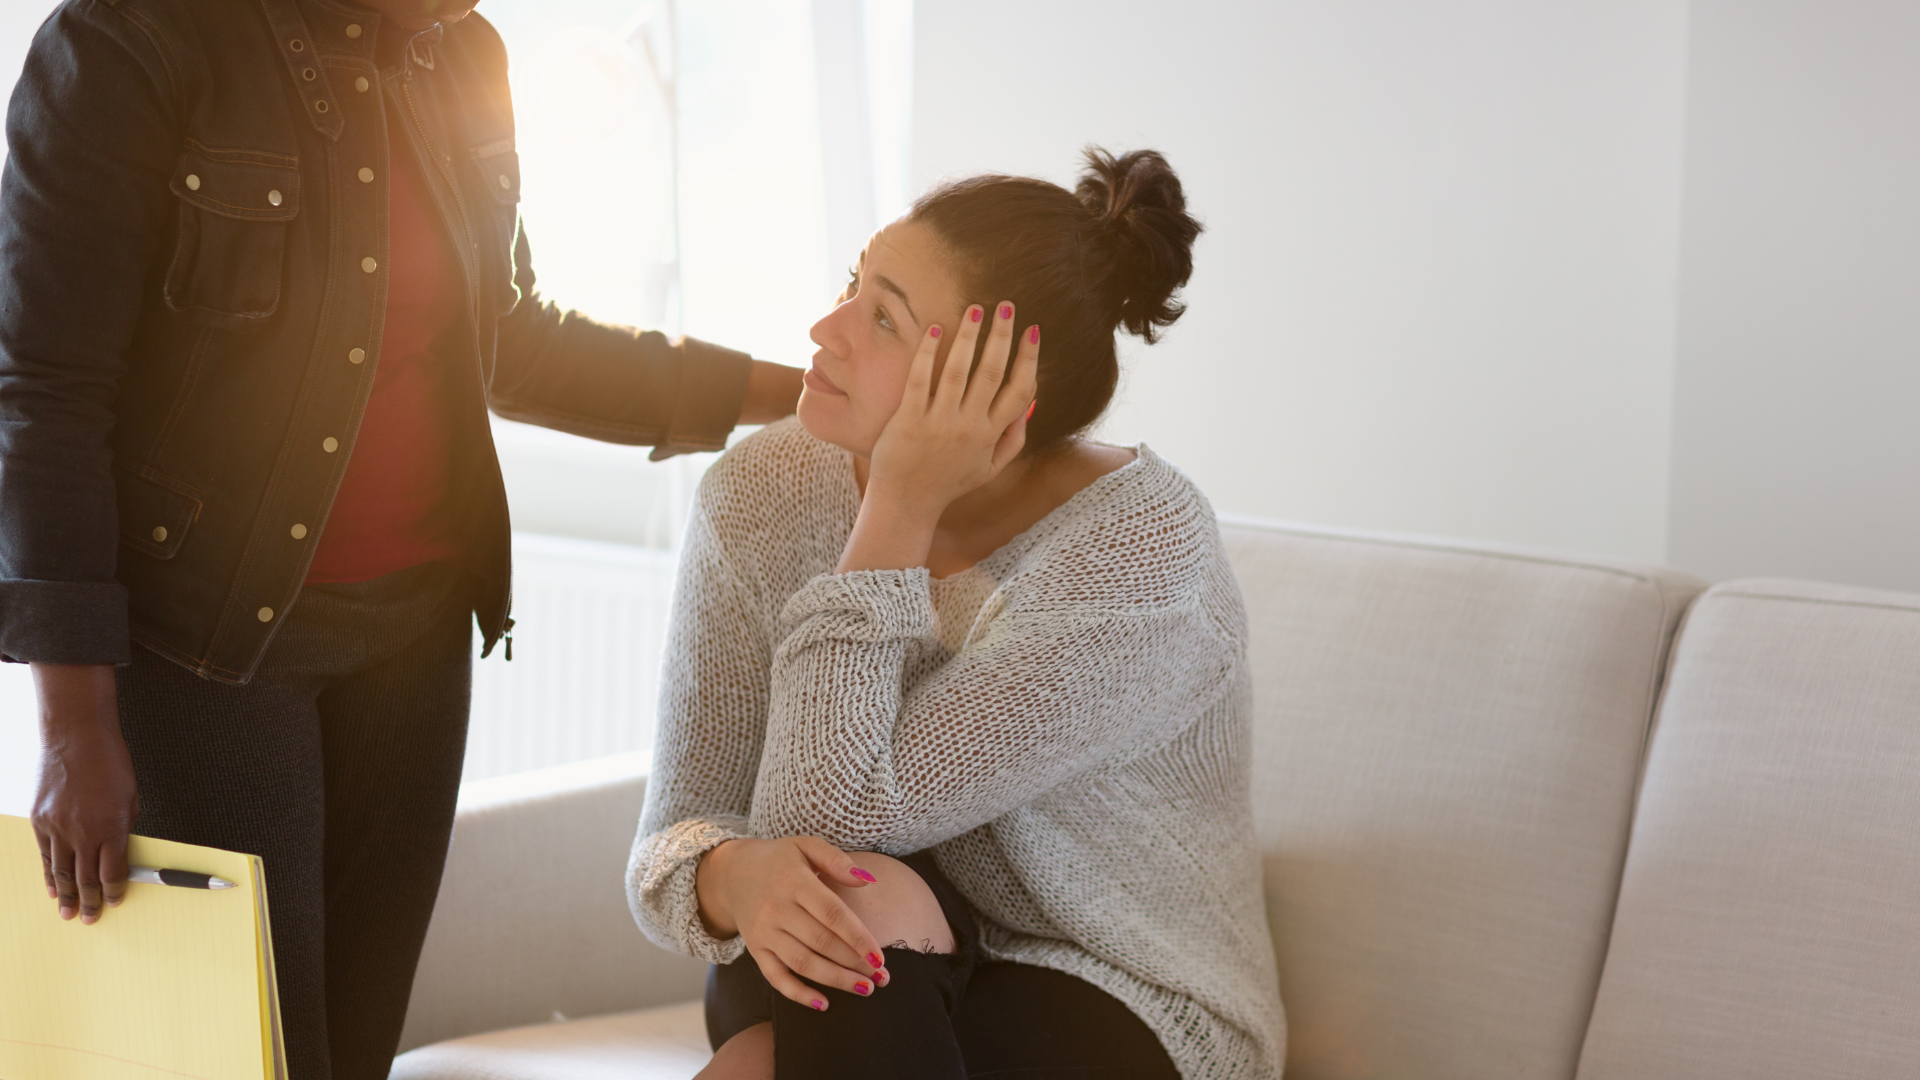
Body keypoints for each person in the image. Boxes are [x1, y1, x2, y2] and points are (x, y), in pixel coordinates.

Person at [0, 0, 800, 1078]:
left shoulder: (463, 52)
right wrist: (71, 724)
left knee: (356, 1051)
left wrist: (806, 396)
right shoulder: (128, 42)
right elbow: (43, 395)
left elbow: (511, 339)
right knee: (253, 1058)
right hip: (208, 655)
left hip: (414, 649)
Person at [628, 148, 1284, 1080]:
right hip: (839, 949)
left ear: (999, 394)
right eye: (852, 284)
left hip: (1110, 993)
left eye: (884, 318)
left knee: (782, 1022)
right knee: (841, 907)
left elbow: (832, 811)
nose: (826, 327)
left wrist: (895, 508)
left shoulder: (1140, 554)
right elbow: (681, 831)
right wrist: (732, 876)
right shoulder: (763, 492)